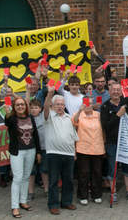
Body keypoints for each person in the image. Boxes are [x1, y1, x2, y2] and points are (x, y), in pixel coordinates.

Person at [100, 82, 128, 203]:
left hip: (126, 141)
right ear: (109, 91)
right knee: (113, 168)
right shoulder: (105, 106)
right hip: (112, 142)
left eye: (118, 90)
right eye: (113, 90)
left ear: (121, 91)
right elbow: (106, 126)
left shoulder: (125, 102)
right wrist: (118, 115)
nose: (116, 92)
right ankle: (113, 192)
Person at [44, 87, 79, 215]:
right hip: (54, 153)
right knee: (53, 181)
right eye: (57, 104)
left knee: (68, 180)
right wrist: (49, 94)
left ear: (65, 106)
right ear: (53, 105)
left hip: (69, 154)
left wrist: (74, 152)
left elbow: (73, 136)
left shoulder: (69, 117)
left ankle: (66, 202)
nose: (60, 106)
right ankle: (53, 204)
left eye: (62, 104)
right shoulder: (49, 117)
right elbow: (46, 108)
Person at [5, 97, 41, 218]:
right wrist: (7, 112)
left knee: (26, 176)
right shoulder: (12, 119)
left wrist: (38, 152)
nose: (20, 106)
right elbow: (7, 122)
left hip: (31, 150)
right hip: (17, 152)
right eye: (17, 105)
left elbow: (35, 135)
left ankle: (23, 201)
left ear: (26, 106)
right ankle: (14, 206)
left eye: (22, 104)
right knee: (17, 178)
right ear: (14, 107)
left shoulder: (30, 117)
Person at [72, 97, 105, 205]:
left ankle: (97, 195)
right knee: (83, 173)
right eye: (86, 104)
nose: (88, 106)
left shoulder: (98, 115)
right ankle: (83, 195)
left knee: (97, 172)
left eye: (90, 104)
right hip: (83, 148)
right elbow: (73, 122)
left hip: (97, 147)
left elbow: (104, 128)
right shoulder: (79, 115)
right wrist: (80, 110)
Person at [27, 99, 48, 200]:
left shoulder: (43, 117)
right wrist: (27, 91)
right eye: (31, 108)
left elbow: (47, 104)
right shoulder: (27, 118)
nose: (34, 110)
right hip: (31, 148)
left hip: (44, 147)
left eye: (36, 108)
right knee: (31, 171)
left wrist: (49, 93)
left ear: (40, 109)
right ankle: (31, 192)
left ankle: (47, 190)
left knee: (44, 170)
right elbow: (26, 102)